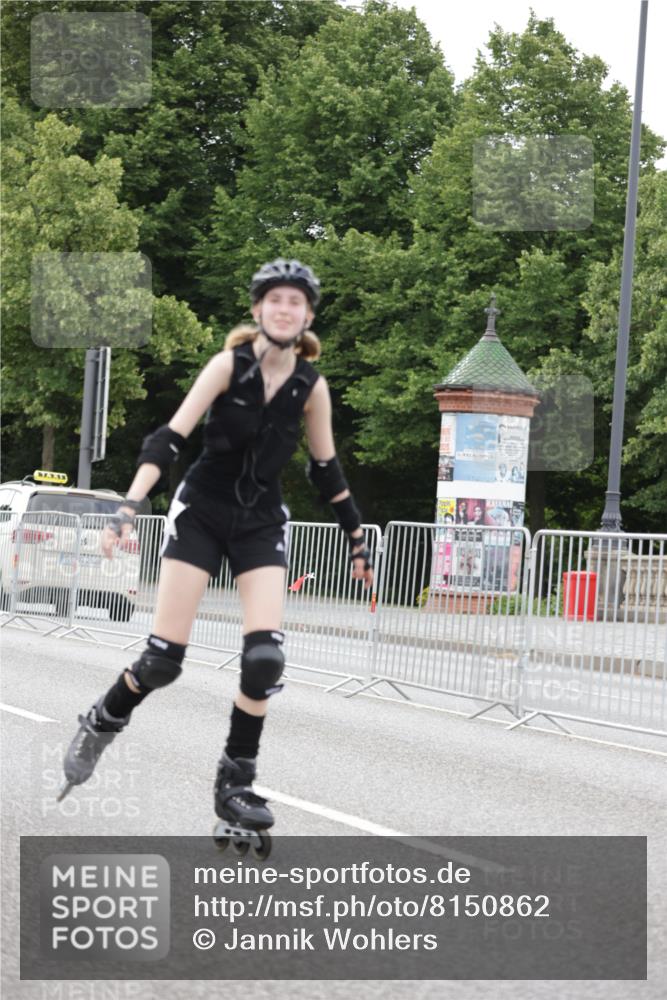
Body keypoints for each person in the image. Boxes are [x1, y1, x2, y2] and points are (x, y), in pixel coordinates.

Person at [59, 259, 374, 843]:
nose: (284, 309)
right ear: (257, 310)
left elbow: (326, 469)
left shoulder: (312, 385)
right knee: (162, 662)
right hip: (202, 512)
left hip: (258, 522)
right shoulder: (228, 365)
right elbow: (169, 438)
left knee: (264, 661)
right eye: (274, 299)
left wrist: (357, 538)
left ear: (307, 315)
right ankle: (103, 719)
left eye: (295, 301)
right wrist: (128, 506)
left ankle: (235, 784)